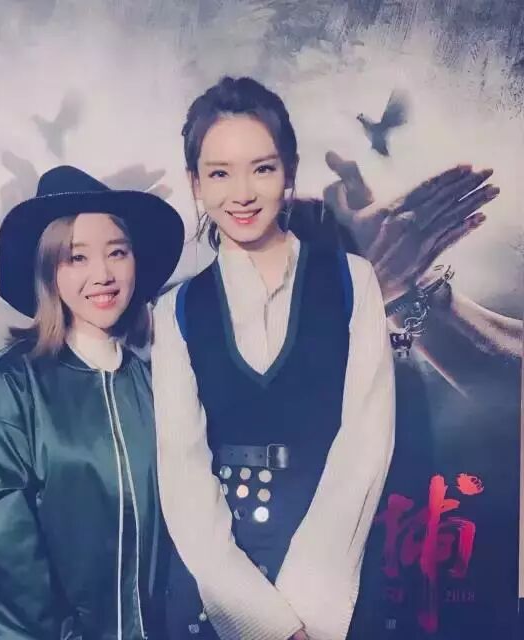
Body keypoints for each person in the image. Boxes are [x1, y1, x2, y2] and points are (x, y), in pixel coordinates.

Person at [151, 76, 395, 640]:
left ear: (289, 172)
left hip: (334, 568)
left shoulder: (352, 280)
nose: (241, 193)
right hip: (218, 581)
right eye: (219, 173)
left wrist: (308, 611)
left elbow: (367, 443)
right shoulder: (176, 308)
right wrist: (264, 624)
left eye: (261, 168)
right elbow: (182, 471)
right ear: (195, 183)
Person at [0, 165, 184, 640]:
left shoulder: (157, 383)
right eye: (76, 257)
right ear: (49, 271)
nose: (103, 275)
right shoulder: (14, 382)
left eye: (117, 252)